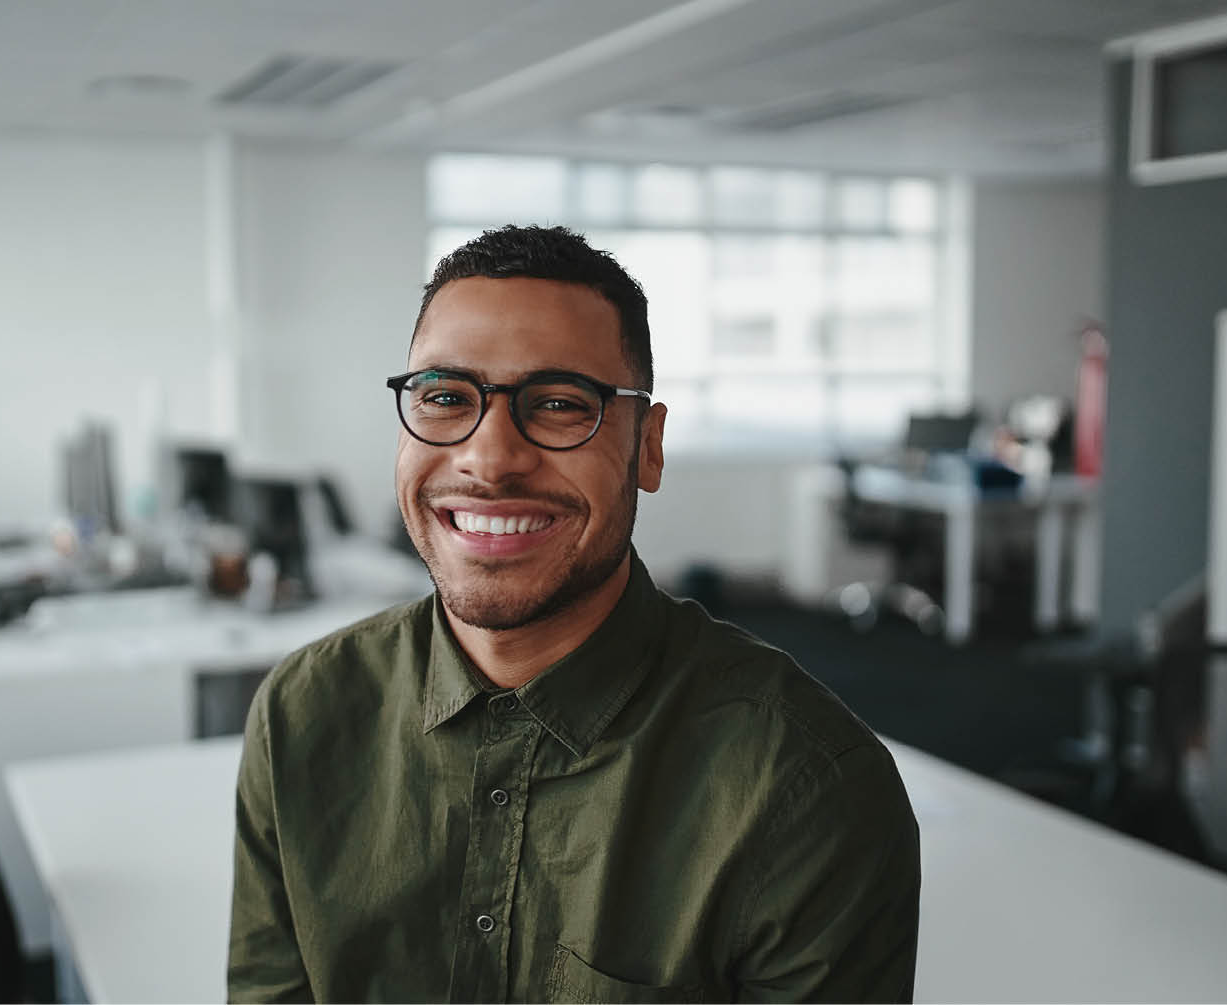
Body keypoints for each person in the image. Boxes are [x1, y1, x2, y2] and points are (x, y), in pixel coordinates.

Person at [228, 225, 920, 1003]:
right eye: (446, 397)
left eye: (559, 404)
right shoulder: (302, 712)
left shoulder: (803, 784)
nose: (489, 458)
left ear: (646, 447)